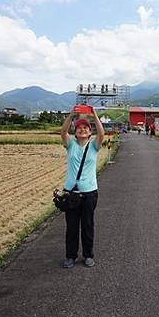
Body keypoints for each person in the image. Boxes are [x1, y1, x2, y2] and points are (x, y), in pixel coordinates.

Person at [59, 106, 105, 268]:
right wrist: (71, 115)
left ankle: (88, 255)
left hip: (89, 193)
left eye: (85, 128)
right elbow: (63, 132)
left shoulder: (93, 147)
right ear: (75, 131)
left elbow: (102, 134)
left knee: (87, 225)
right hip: (71, 193)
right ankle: (70, 256)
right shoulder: (70, 145)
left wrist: (94, 115)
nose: (82, 129)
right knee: (71, 227)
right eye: (79, 128)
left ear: (89, 132)